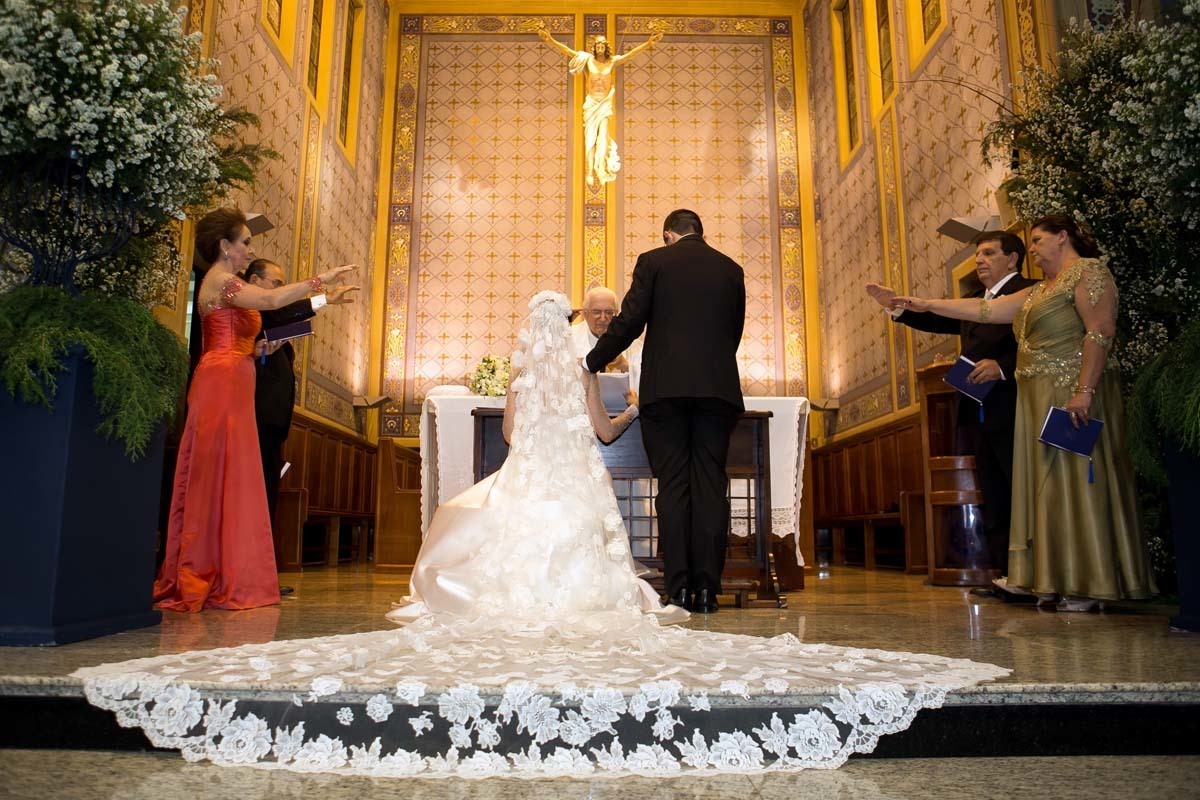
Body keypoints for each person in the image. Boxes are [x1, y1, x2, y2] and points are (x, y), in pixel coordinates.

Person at [75, 289, 1009, 776]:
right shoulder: (590, 381)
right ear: (576, 330)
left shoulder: (530, 383)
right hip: (581, 488)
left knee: (472, 513)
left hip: (536, 478)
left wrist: (538, 451)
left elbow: (518, 442)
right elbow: (605, 436)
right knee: (583, 531)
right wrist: (606, 425)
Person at [889, 214, 1156, 611]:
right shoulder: (1038, 291)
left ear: (1062, 238)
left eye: (1037, 240)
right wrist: (920, 303)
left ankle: (1088, 581)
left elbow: (1100, 332)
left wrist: (1084, 391)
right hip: (1035, 399)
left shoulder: (1087, 272)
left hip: (1069, 393)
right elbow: (983, 312)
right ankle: (1051, 576)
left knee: (1075, 484)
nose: (1031, 249)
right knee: (1045, 489)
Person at [387, 291, 676, 626]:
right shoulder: (584, 372)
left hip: (528, 478)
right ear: (568, 327)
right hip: (576, 483)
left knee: (464, 512)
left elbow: (510, 434)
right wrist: (633, 409)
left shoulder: (520, 372)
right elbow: (606, 434)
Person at [153, 207, 354, 613]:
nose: (250, 248)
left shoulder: (227, 282)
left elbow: (239, 335)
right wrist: (321, 281)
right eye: (244, 242)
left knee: (232, 476)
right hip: (220, 382)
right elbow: (273, 299)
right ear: (225, 247)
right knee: (215, 476)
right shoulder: (223, 281)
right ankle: (203, 571)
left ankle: (227, 569)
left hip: (235, 374)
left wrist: (261, 349)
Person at [586, 210, 745, 614]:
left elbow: (630, 322)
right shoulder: (731, 269)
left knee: (673, 487)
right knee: (710, 487)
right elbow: (733, 331)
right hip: (717, 390)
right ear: (700, 232)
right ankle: (708, 590)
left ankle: (679, 590)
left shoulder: (654, 261)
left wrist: (592, 360)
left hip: (667, 393)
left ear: (668, 235)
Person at [866, 231, 1037, 573]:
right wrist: (896, 307)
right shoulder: (975, 298)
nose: (980, 260)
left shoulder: (1030, 291)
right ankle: (1005, 574)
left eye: (989, 253)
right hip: (977, 408)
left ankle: (1034, 570)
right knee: (993, 492)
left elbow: (1043, 343)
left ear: (1013, 258)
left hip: (1014, 403)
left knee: (1019, 488)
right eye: (977, 255)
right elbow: (937, 319)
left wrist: (1003, 368)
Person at [244, 259, 358, 527]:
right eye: (277, 284)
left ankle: (261, 555)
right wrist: (323, 299)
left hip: (272, 422)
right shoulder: (253, 309)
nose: (280, 291)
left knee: (267, 490)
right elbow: (278, 313)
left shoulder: (264, 316)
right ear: (254, 282)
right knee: (254, 489)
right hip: (255, 416)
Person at [537, 28, 661, 186]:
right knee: (590, 138)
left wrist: (648, 44)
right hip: (591, 103)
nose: (600, 47)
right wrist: (550, 40)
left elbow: (630, 55)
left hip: (604, 103)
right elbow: (567, 51)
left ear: (606, 47)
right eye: (598, 45)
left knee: (602, 136)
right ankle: (589, 171)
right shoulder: (587, 60)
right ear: (594, 48)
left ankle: (600, 168)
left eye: (603, 45)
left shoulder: (612, 61)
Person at [569, 285, 642, 394]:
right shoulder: (569, 338)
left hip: (622, 408)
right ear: (585, 314)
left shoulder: (632, 342)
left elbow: (650, 379)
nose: (603, 318)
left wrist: (626, 366)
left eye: (609, 312)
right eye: (596, 312)